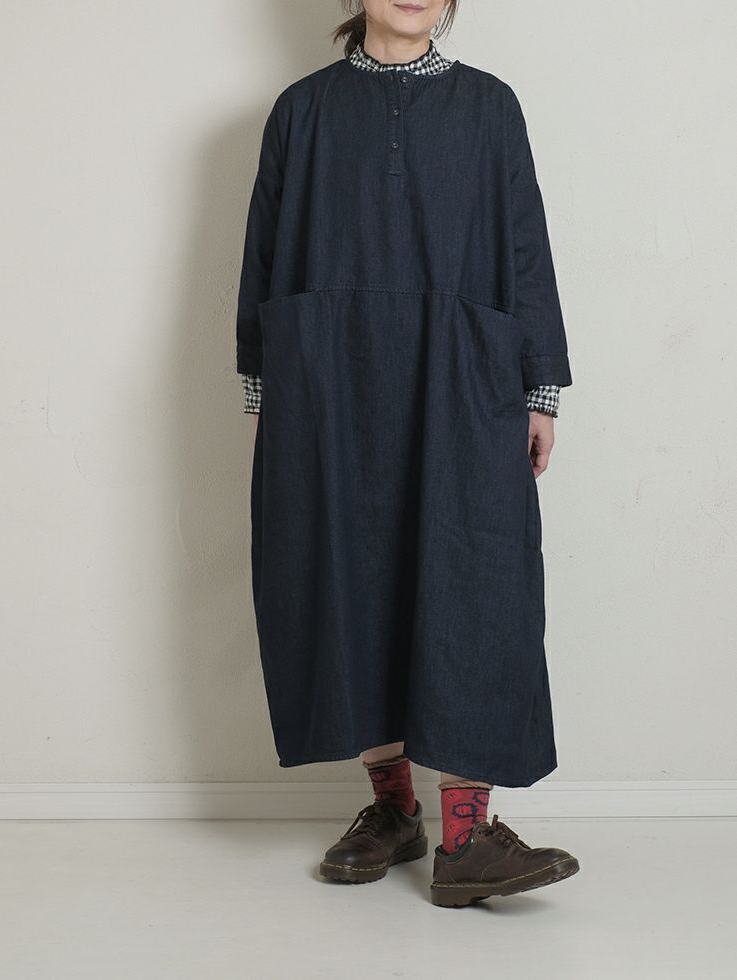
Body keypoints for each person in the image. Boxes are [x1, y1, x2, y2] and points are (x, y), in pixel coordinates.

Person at [235, 0, 580, 907]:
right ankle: (393, 811)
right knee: (349, 578)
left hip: (462, 373)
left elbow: (525, 247)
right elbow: (263, 257)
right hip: (329, 379)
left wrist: (539, 388)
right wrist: (266, 393)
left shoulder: (490, 107)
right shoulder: (302, 111)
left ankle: (467, 838)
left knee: (477, 579)